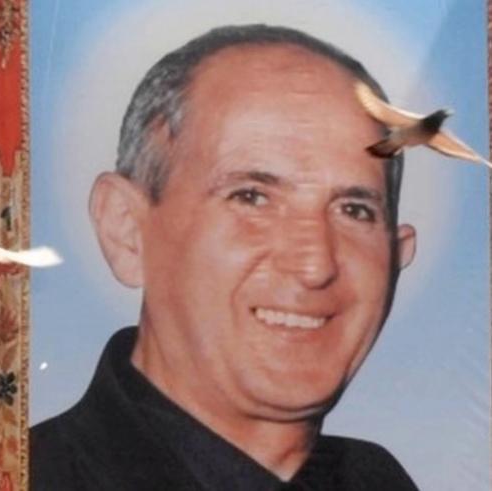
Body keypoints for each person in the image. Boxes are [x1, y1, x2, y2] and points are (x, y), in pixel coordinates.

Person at [31, 24, 419, 490]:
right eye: (251, 197)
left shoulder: (373, 481)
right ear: (126, 231)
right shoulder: (20, 477)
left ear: (396, 257)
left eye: (354, 210)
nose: (315, 265)